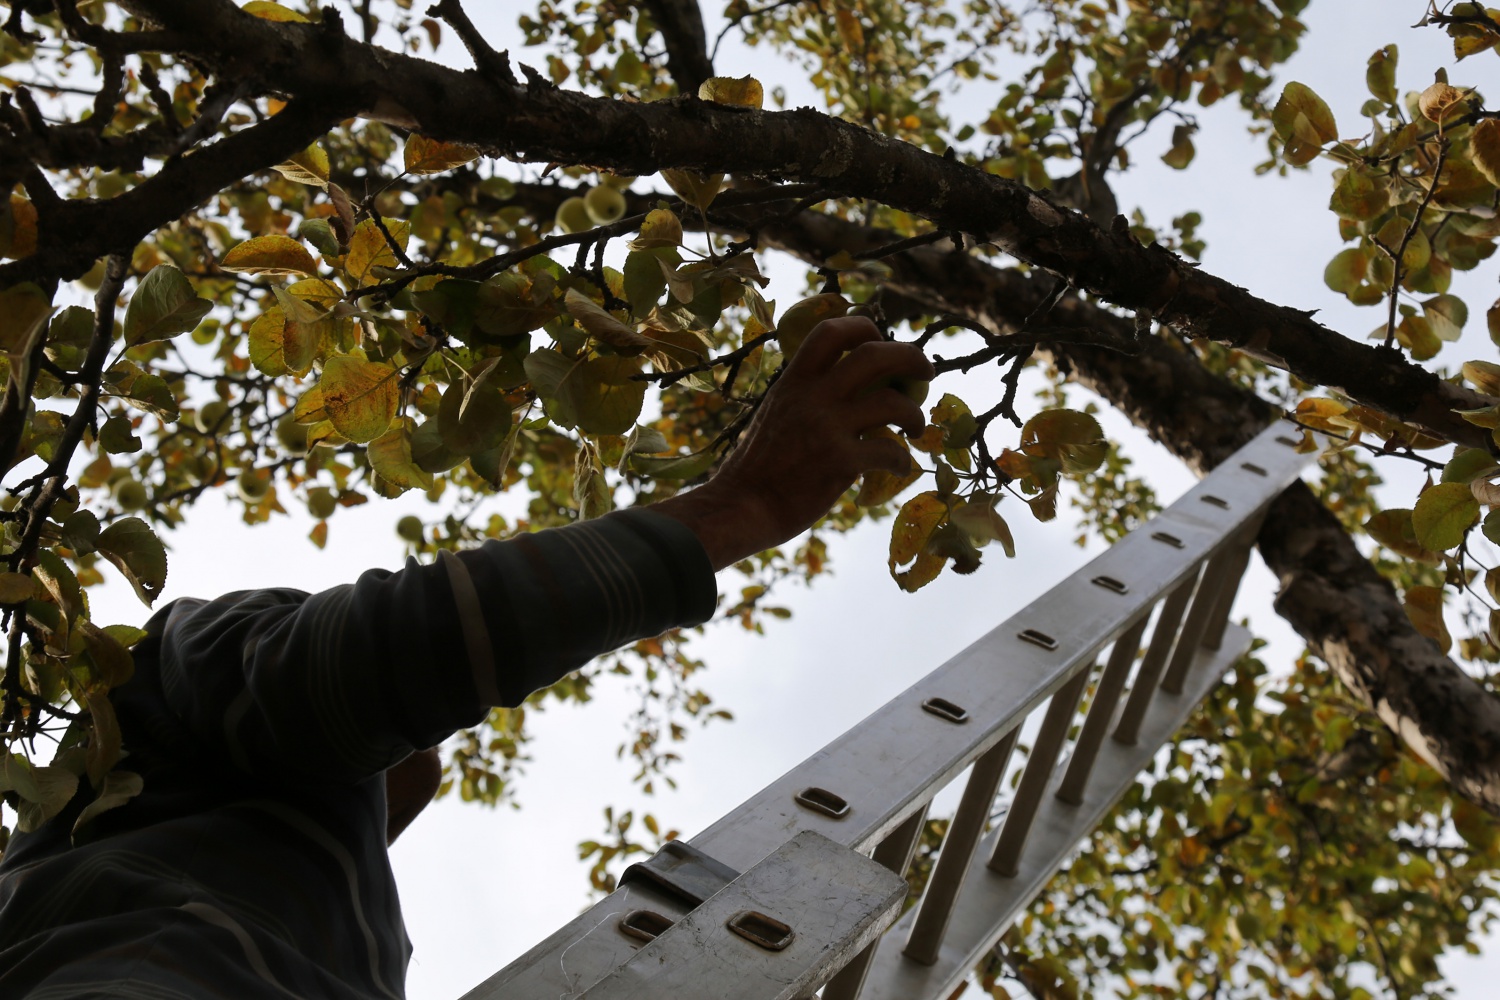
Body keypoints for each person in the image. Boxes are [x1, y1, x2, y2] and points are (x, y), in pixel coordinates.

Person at [0, 317, 934, 999]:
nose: (423, 746)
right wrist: (737, 509)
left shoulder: (265, 882)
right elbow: (373, 656)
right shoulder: (168, 678)